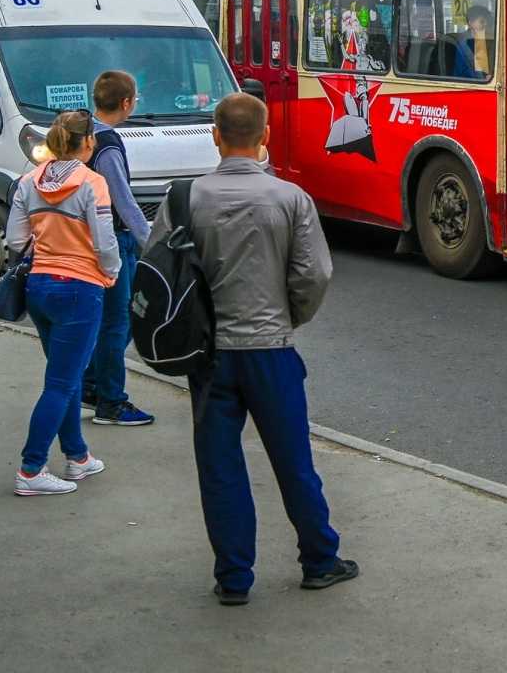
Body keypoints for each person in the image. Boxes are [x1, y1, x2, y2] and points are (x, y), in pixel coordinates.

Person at [147, 92, 356, 604]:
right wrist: (290, 318)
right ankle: (319, 559)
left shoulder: (184, 198)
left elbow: (157, 271)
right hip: (271, 351)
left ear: (215, 137)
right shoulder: (289, 198)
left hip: (209, 356)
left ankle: (234, 578)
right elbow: (315, 274)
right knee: (294, 461)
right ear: (265, 137)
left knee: (219, 467)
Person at [6, 110, 121, 497]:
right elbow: (106, 242)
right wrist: (112, 271)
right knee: (60, 383)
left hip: (39, 286)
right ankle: (31, 468)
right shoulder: (93, 183)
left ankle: (78, 456)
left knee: (65, 375)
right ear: (87, 143)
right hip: (81, 288)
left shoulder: (29, 181)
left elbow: (15, 241)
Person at [80, 70, 154, 427]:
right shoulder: (108, 145)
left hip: (91, 238)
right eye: (135, 98)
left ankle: (91, 383)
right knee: (118, 321)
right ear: (126, 103)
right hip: (114, 240)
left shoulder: (85, 135)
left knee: (113, 320)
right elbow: (123, 202)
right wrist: (150, 242)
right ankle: (111, 400)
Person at [450, 5, 494, 79]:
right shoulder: (464, 43)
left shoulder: (489, 39)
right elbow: (462, 72)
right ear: (471, 23)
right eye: (482, 21)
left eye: (487, 22)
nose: (485, 24)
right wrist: (484, 78)